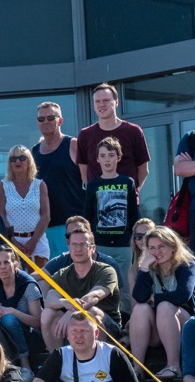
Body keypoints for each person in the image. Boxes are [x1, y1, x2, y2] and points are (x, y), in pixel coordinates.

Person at [128, 225, 195, 377]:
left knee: (165, 306)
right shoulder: (149, 268)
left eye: (161, 246)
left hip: (186, 327)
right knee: (140, 308)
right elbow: (139, 297)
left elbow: (182, 295)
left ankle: (173, 366)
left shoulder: (187, 265)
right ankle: (137, 370)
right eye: (152, 248)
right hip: (157, 329)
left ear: (173, 247)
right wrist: (144, 267)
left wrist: (154, 299)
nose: (157, 252)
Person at [39, 227, 120, 348]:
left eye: (83, 245)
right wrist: (65, 302)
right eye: (74, 245)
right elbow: (49, 300)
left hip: (108, 328)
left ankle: (100, 358)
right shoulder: (61, 274)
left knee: (91, 312)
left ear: (93, 248)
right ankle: (58, 358)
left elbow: (94, 296)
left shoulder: (106, 271)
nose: (78, 249)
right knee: (47, 314)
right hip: (73, 326)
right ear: (69, 248)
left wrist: (71, 311)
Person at [84, 136, 139, 282]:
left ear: (118, 157)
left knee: (124, 285)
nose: (107, 159)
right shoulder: (92, 185)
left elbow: (134, 213)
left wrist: (136, 239)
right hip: (100, 244)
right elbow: (87, 215)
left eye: (111, 155)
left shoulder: (127, 182)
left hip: (123, 244)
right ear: (97, 159)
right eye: (102, 156)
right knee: (102, 283)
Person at [31, 101, 82, 256]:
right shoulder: (33, 152)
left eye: (51, 118)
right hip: (43, 227)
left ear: (60, 120)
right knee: (47, 271)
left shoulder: (73, 145)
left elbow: (89, 182)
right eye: (41, 119)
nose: (45, 122)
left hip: (71, 226)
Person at [76, 83, 149, 190]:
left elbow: (143, 169)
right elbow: (84, 171)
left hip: (126, 197)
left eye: (106, 100)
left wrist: (133, 192)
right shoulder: (85, 135)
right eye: (97, 101)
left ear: (116, 102)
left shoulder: (133, 131)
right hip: (97, 198)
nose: (101, 104)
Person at [0, 245, 43, 362]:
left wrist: (14, 312)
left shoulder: (28, 286)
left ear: (15, 264)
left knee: (9, 319)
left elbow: (37, 322)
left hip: (30, 337)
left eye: (6, 262)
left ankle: (25, 363)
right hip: (4, 336)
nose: (3, 267)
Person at [0, 145, 51, 264]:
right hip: (12, 240)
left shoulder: (40, 185)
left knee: (41, 275)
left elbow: (46, 216)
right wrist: (12, 240)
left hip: (38, 239)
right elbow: (1, 216)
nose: (17, 161)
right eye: (13, 159)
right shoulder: (3, 186)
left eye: (22, 158)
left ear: (29, 161)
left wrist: (33, 241)